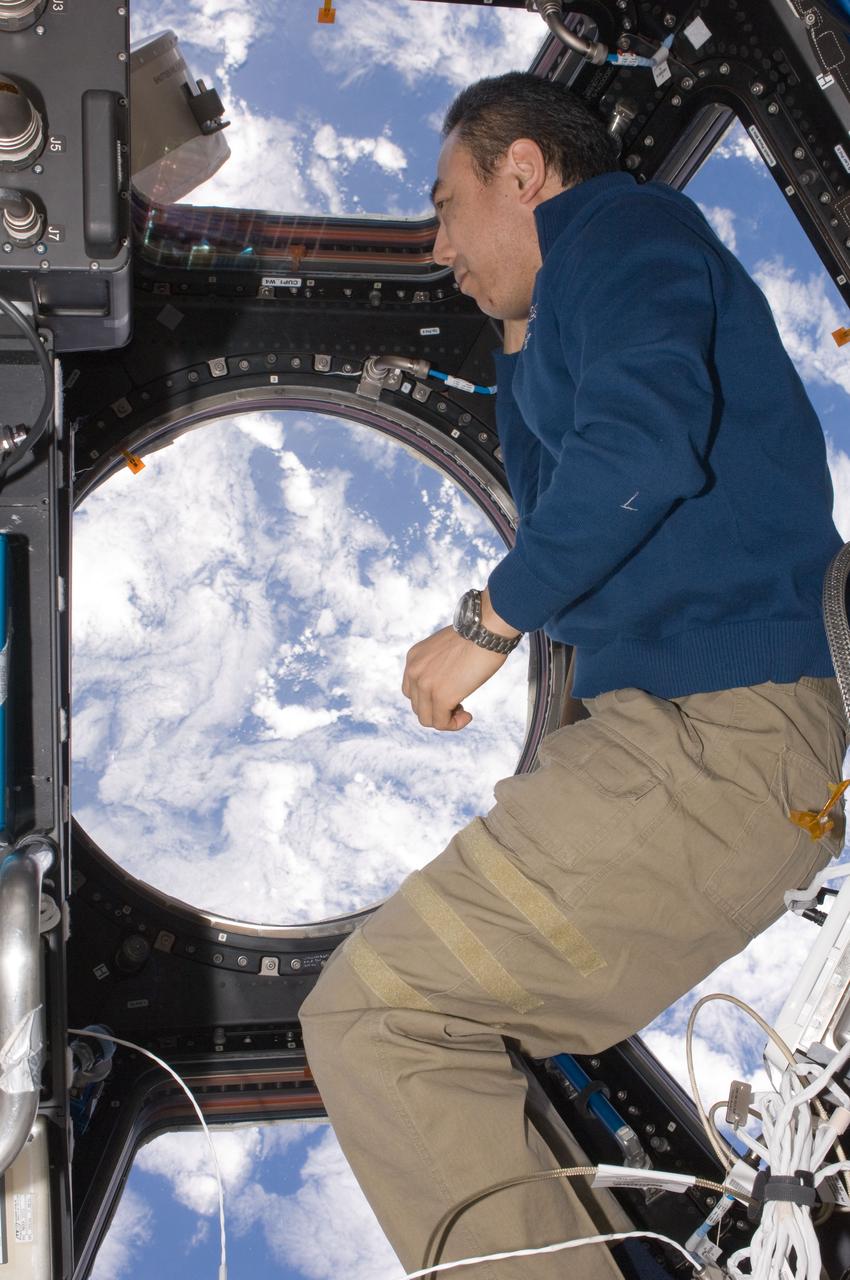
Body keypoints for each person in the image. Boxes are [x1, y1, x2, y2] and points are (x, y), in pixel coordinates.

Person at [299, 72, 848, 1280]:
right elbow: (574, 507)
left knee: (376, 1014)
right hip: (702, 753)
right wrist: (512, 329)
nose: (438, 244)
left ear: (527, 172)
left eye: (447, 205)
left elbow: (640, 443)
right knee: (394, 1017)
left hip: (712, 739)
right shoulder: (560, 312)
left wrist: (483, 624)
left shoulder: (621, 225)